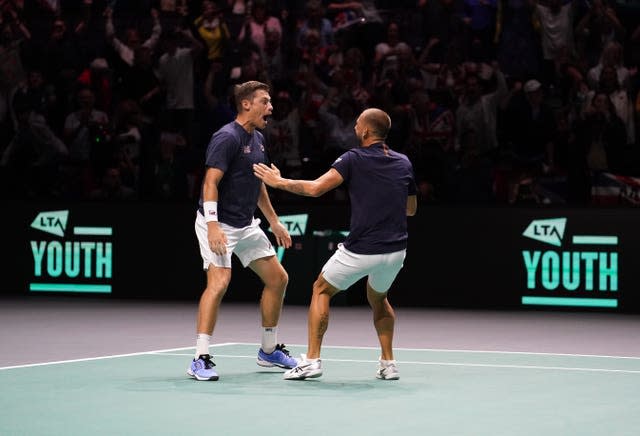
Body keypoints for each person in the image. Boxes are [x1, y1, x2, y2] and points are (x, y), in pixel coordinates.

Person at [253, 107, 418, 381]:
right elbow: (410, 209)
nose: (354, 127)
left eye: (356, 123)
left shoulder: (353, 158)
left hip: (362, 249)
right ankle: (388, 364)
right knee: (378, 298)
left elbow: (316, 189)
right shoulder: (404, 162)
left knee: (321, 289)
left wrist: (279, 182)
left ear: (366, 130)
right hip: (396, 251)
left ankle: (312, 361)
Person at [188, 80, 297, 381]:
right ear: (246, 104)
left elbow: (257, 182)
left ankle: (269, 350)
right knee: (220, 282)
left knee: (278, 279)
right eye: (265, 101)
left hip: (245, 223)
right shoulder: (226, 137)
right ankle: (200, 357)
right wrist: (212, 225)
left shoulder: (259, 139)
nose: (271, 107)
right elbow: (210, 183)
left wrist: (273, 221)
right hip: (218, 222)